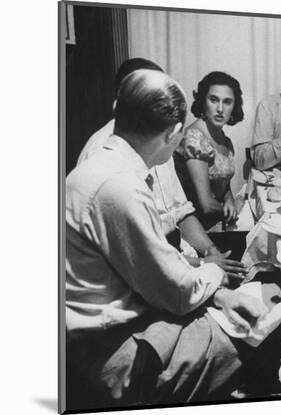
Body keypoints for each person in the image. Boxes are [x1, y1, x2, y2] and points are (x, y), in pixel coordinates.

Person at [66, 69, 281, 408]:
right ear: (172, 134)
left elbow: (157, 270)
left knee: (241, 302)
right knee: (271, 318)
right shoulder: (120, 187)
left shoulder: (105, 165)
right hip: (111, 357)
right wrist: (215, 275)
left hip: (116, 324)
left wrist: (217, 295)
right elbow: (177, 291)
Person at [77, 58, 246, 279]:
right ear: (123, 100)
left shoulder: (158, 139)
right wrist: (204, 264)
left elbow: (180, 211)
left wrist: (211, 251)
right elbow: (137, 258)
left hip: (179, 252)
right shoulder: (101, 154)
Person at [173, 71, 244, 231]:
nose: (220, 109)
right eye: (213, 100)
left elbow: (222, 183)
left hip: (217, 222)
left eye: (227, 102)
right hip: (194, 228)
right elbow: (205, 205)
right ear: (203, 101)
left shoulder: (223, 138)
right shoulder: (194, 138)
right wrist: (236, 209)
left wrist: (230, 200)